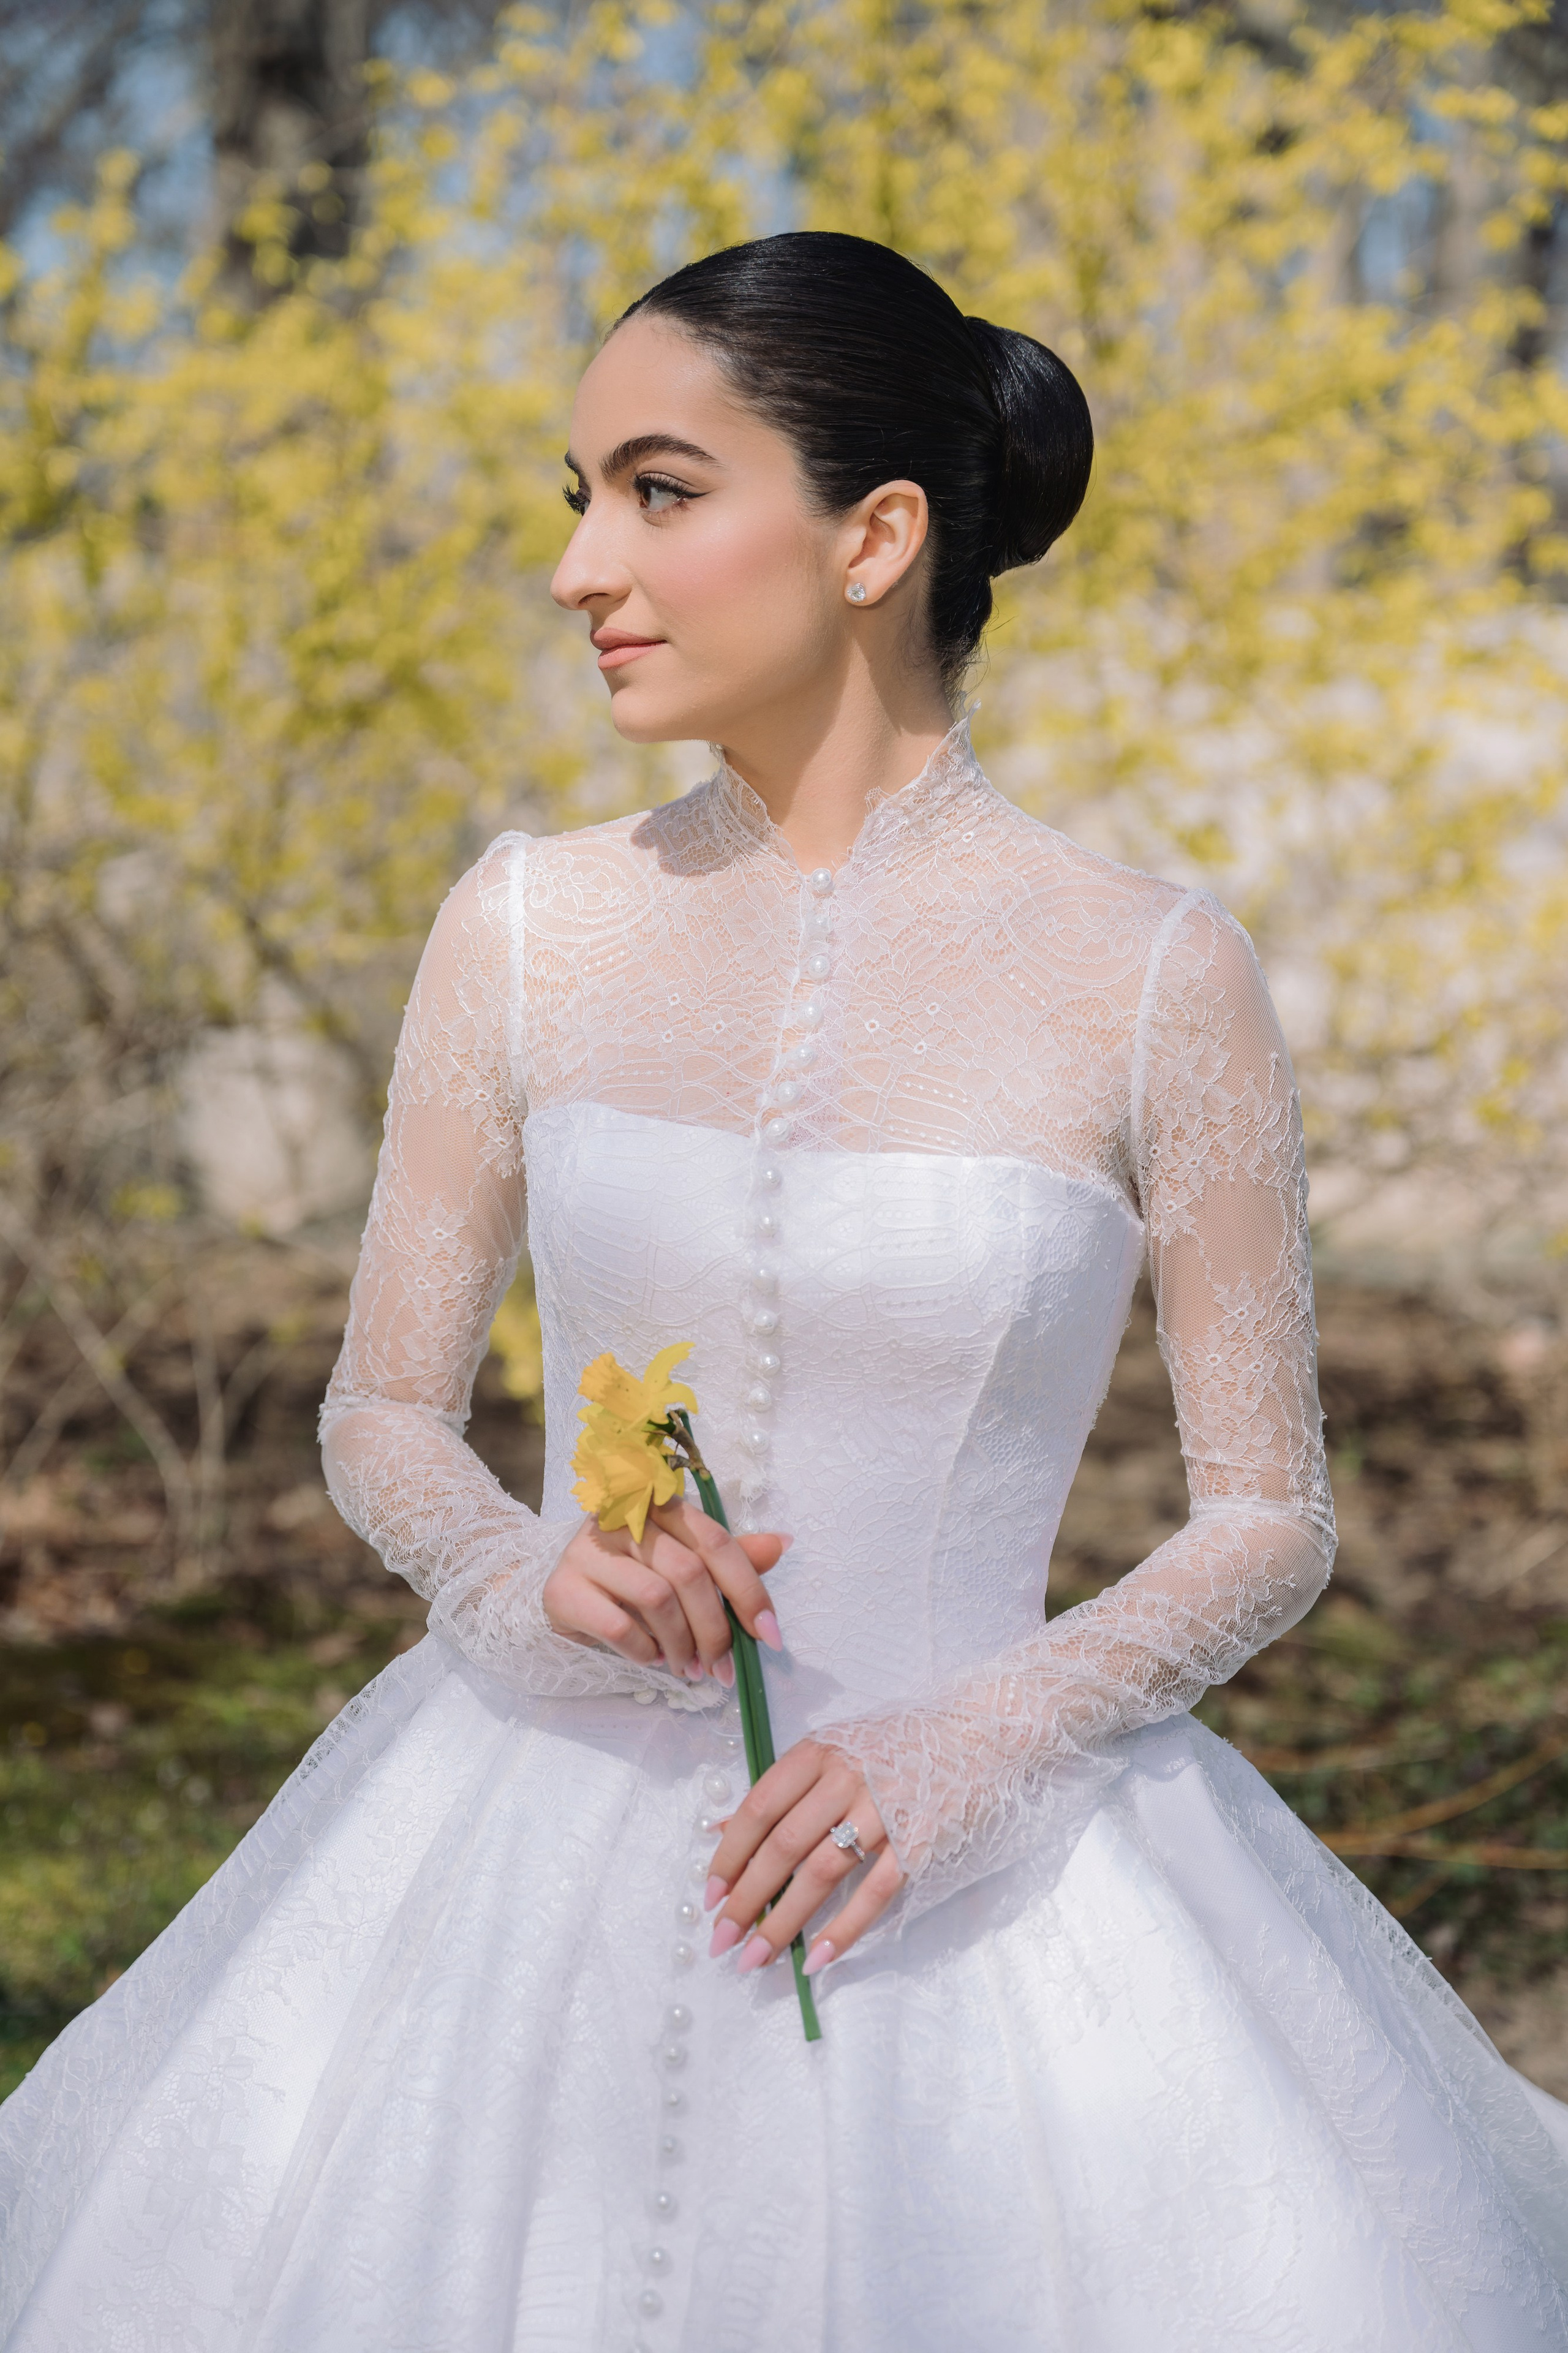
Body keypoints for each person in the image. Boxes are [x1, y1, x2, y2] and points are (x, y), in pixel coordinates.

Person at [1, 229, 1565, 2352]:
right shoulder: (526, 925)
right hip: (508, 1854)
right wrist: (515, 1570)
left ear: (875, 537)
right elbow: (379, 1409)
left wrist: (973, 1748)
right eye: (580, 501)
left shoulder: (1151, 973)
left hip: (986, 1892)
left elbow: (1268, 1512)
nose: (582, 567)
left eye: (659, 488)